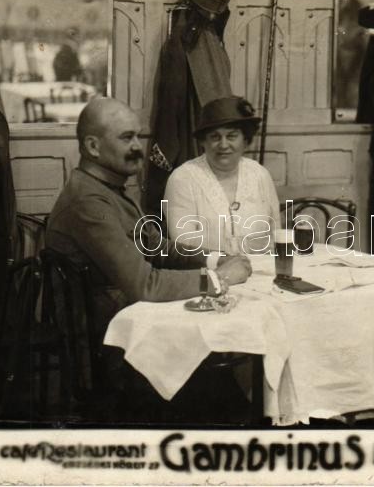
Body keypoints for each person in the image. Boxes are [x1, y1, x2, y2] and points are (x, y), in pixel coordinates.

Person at [46, 98, 252, 421]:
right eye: (126, 138)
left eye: (138, 137)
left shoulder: (109, 189)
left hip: (131, 327)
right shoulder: (87, 202)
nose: (138, 147)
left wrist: (216, 258)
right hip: (112, 352)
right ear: (93, 146)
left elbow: (158, 247)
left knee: (224, 369)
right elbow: (146, 285)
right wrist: (221, 279)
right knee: (222, 380)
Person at [164, 96, 281, 254]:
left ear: (245, 141)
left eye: (232, 136)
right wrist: (245, 245)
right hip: (208, 273)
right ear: (203, 142)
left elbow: (276, 235)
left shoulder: (260, 174)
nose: (224, 145)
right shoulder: (182, 179)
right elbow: (184, 243)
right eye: (215, 137)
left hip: (261, 272)